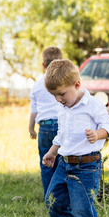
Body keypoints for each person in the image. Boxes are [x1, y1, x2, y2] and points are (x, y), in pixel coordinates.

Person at [42, 59, 109, 217]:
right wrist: (52, 151)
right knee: (52, 201)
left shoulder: (92, 104)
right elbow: (62, 134)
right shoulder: (63, 106)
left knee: (83, 210)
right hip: (64, 164)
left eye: (61, 94)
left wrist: (97, 134)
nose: (58, 99)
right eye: (54, 95)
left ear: (77, 85)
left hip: (86, 167)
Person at [29, 46, 63, 197]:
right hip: (62, 127)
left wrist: (31, 128)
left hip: (44, 128)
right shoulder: (64, 83)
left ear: (43, 65)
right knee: (63, 163)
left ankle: (50, 197)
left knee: (46, 163)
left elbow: (34, 111)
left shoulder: (37, 85)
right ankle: (62, 195)